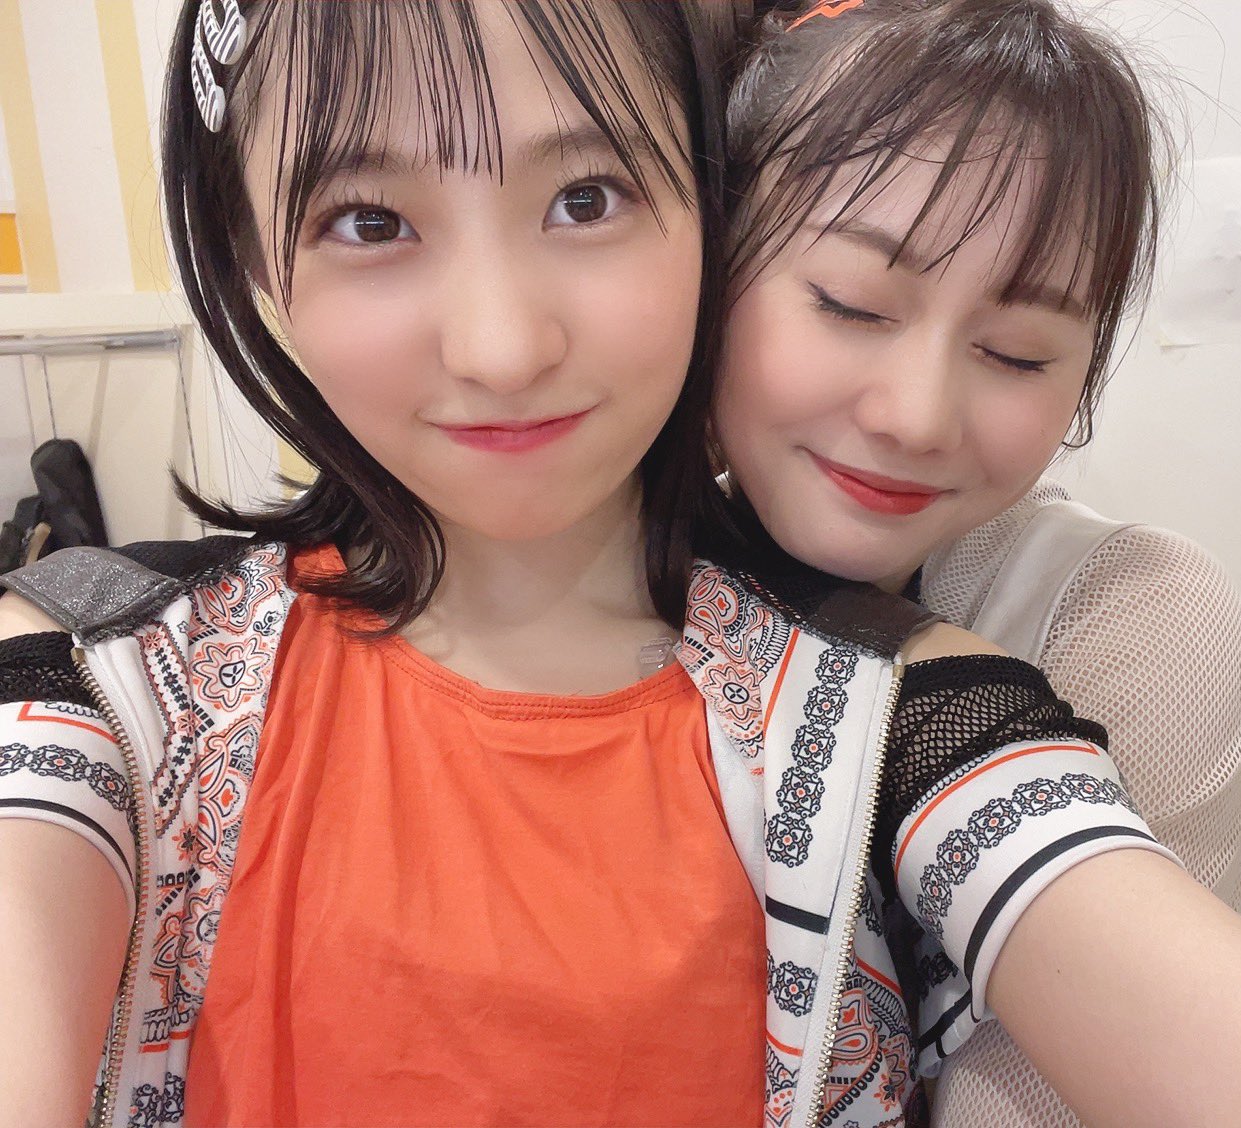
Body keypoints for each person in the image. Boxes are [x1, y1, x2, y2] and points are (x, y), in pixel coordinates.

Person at [0, 2, 1172, 1126]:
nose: (503, 348)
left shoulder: (899, 715)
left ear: (712, 213)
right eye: (369, 221)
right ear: (255, 260)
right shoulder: (104, 675)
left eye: (586, 198)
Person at [711, 0, 1241, 1125]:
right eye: (852, 304)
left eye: (1015, 352)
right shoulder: (579, 566)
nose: (916, 416)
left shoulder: (1129, 619)